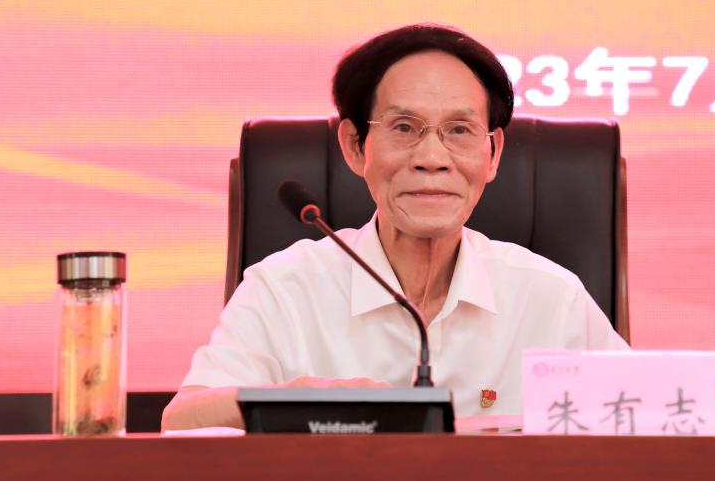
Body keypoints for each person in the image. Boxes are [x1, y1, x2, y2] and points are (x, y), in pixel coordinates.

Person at [162, 24, 628, 430]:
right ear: (354, 146)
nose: (432, 158)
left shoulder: (549, 297)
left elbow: (648, 416)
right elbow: (181, 420)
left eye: (459, 130)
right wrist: (295, 401)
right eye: (404, 128)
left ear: (494, 153)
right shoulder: (285, 289)